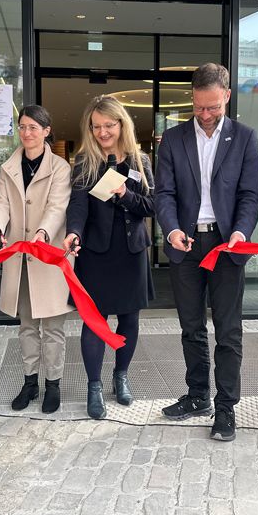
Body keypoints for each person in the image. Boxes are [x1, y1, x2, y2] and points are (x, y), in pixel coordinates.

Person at [155, 63, 258, 442]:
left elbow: (251, 194)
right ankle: (198, 395)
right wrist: (171, 230)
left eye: (213, 107)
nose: (205, 115)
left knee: (228, 331)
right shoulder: (172, 139)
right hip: (185, 243)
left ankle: (226, 407)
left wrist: (239, 231)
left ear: (227, 97)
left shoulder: (246, 138)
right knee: (191, 327)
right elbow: (164, 193)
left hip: (226, 245)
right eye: (199, 107)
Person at [62, 95, 154, 420]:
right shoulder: (84, 161)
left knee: (129, 319)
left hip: (131, 252)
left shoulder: (140, 161)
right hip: (96, 253)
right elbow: (77, 207)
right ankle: (94, 386)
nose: (103, 132)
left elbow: (151, 205)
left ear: (121, 124)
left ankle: (121, 376)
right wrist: (74, 232)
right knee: (94, 321)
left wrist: (125, 195)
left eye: (109, 125)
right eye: (97, 126)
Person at [0, 105, 74, 414]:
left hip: (47, 257)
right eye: (22, 127)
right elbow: (1, 202)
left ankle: (53, 384)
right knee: (26, 327)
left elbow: (57, 206)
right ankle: (29, 381)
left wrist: (41, 233)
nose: (26, 133)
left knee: (52, 328)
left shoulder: (60, 168)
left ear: (46, 132)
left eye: (33, 128)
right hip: (20, 259)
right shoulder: (9, 166)